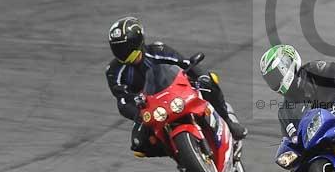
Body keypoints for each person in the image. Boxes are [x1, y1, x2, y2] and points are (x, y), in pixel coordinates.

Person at [105, 16, 247, 157]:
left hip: (178, 91)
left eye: (125, 47)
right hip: (150, 108)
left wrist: (201, 76)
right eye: (117, 48)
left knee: (209, 82)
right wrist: (137, 114)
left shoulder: (158, 51)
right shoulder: (113, 71)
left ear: (138, 41)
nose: (122, 52)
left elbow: (187, 64)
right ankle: (179, 154)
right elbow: (122, 100)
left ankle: (228, 122)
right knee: (139, 146)